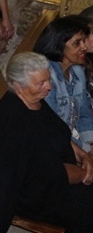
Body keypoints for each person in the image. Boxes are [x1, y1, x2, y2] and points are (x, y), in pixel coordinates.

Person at [0, 52, 93, 233]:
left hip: (59, 175)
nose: (49, 87)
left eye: (48, 79)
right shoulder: (15, 122)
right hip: (33, 193)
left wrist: (84, 156)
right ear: (18, 86)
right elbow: (49, 172)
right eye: (41, 83)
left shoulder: (34, 101)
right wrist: (85, 173)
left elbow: (58, 135)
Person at [33, 15, 93, 151]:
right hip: (51, 144)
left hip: (71, 140)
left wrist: (90, 143)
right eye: (77, 43)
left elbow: (84, 114)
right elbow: (51, 126)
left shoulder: (77, 71)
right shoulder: (46, 76)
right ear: (59, 44)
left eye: (84, 41)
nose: (84, 47)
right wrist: (85, 150)